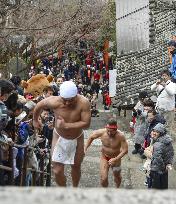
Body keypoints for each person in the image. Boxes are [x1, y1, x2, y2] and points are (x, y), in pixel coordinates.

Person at [33, 81, 91, 187]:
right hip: (59, 136)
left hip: (77, 137)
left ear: (76, 96)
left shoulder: (83, 102)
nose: (67, 103)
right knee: (57, 170)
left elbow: (86, 124)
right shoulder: (54, 101)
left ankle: (74, 188)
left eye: (71, 100)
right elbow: (39, 105)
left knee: (76, 166)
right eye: (65, 100)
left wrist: (67, 125)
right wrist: (35, 120)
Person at [84, 118, 128, 188]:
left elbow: (125, 150)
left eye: (111, 131)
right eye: (108, 131)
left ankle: (117, 188)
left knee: (117, 176)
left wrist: (116, 159)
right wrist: (85, 148)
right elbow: (91, 137)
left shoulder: (120, 136)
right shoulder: (101, 132)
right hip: (105, 157)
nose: (109, 133)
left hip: (116, 159)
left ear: (116, 129)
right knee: (103, 178)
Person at [151, 69, 176, 140]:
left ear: (169, 77)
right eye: (162, 76)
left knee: (167, 127)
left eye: (165, 75)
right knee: (158, 126)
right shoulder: (160, 85)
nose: (163, 77)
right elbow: (151, 89)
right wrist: (156, 84)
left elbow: (171, 92)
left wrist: (165, 85)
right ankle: (159, 140)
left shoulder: (173, 85)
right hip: (159, 109)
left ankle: (167, 142)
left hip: (168, 110)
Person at [149, 123, 174, 189]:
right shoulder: (167, 140)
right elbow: (171, 153)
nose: (154, 133)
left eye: (157, 132)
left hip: (158, 170)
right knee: (164, 185)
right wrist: (168, 163)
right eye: (154, 131)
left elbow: (157, 159)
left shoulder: (158, 144)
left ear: (161, 133)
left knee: (156, 186)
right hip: (165, 168)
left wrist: (162, 168)